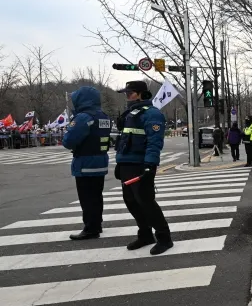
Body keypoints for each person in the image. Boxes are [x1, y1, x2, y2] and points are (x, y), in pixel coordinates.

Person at [115, 80, 173, 255]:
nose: (127, 96)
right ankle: (145, 234)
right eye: (126, 93)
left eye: (130, 93)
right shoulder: (131, 113)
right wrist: (120, 162)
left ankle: (164, 238)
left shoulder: (152, 114)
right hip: (127, 164)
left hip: (141, 164)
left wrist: (149, 165)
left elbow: (154, 143)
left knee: (146, 202)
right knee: (131, 202)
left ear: (141, 94)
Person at [63, 86, 112, 240]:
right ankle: (97, 223)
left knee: (87, 197)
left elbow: (68, 141)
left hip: (86, 162)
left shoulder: (83, 117)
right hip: (101, 161)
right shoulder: (103, 116)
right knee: (97, 196)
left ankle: (91, 228)